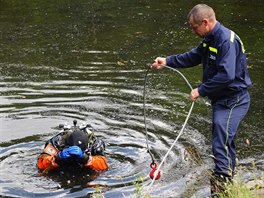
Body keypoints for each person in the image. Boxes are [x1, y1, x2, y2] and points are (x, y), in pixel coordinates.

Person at [151, 4, 251, 196]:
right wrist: (167, 61)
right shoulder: (210, 38)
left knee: (220, 138)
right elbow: (194, 56)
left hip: (234, 100)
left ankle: (221, 183)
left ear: (205, 22)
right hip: (221, 100)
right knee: (224, 139)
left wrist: (201, 90)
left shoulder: (226, 41)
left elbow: (227, 75)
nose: (192, 30)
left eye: (194, 27)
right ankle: (227, 182)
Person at [37, 120, 108, 172]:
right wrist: (57, 158)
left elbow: (103, 165)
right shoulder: (56, 142)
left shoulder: (95, 143)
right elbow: (40, 164)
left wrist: (85, 158)